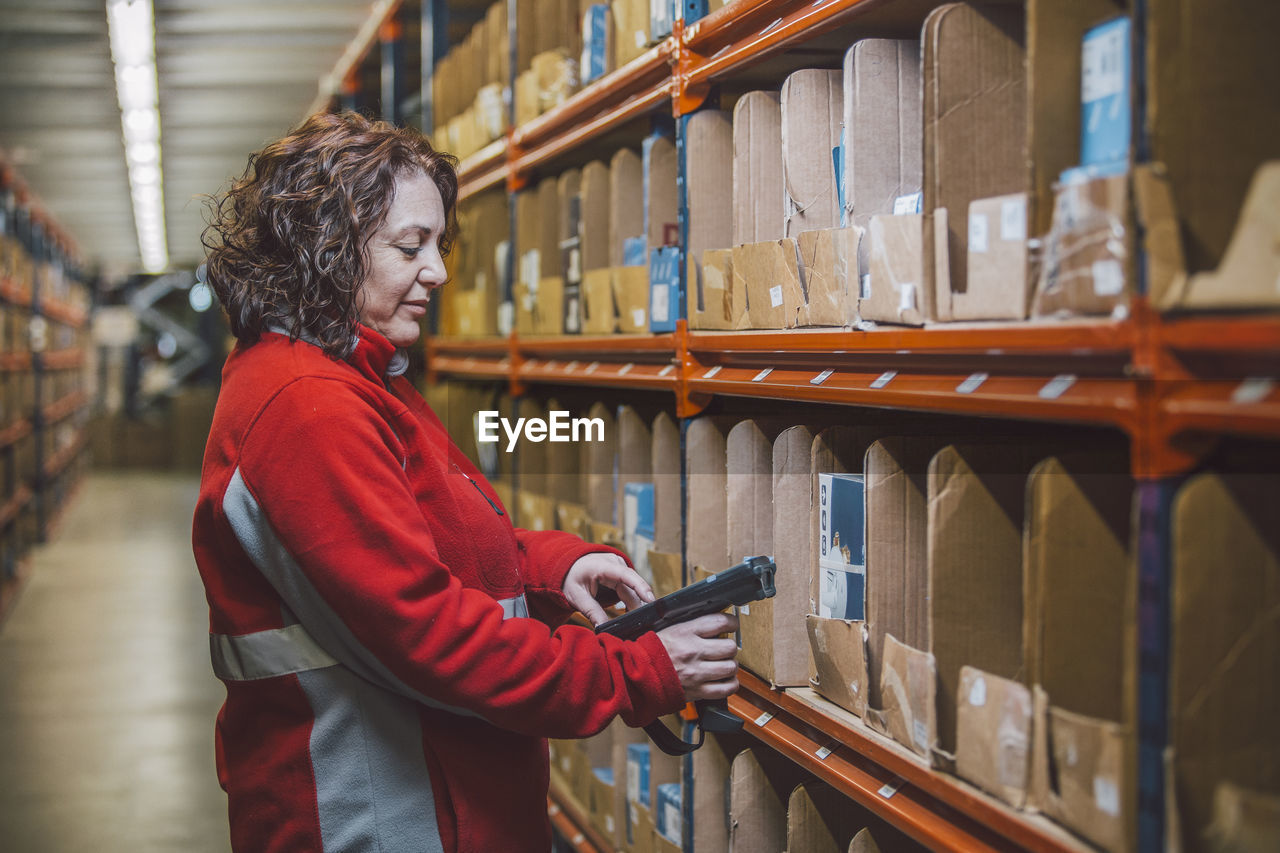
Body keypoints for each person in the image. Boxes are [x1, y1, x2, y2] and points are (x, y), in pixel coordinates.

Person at [192, 110, 739, 853]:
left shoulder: (353, 378)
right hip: (383, 817)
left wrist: (553, 568)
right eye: (409, 246)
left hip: (443, 802)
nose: (439, 272)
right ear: (325, 250)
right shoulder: (305, 408)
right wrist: (637, 670)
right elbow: (429, 633)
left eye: (437, 244)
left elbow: (436, 539)